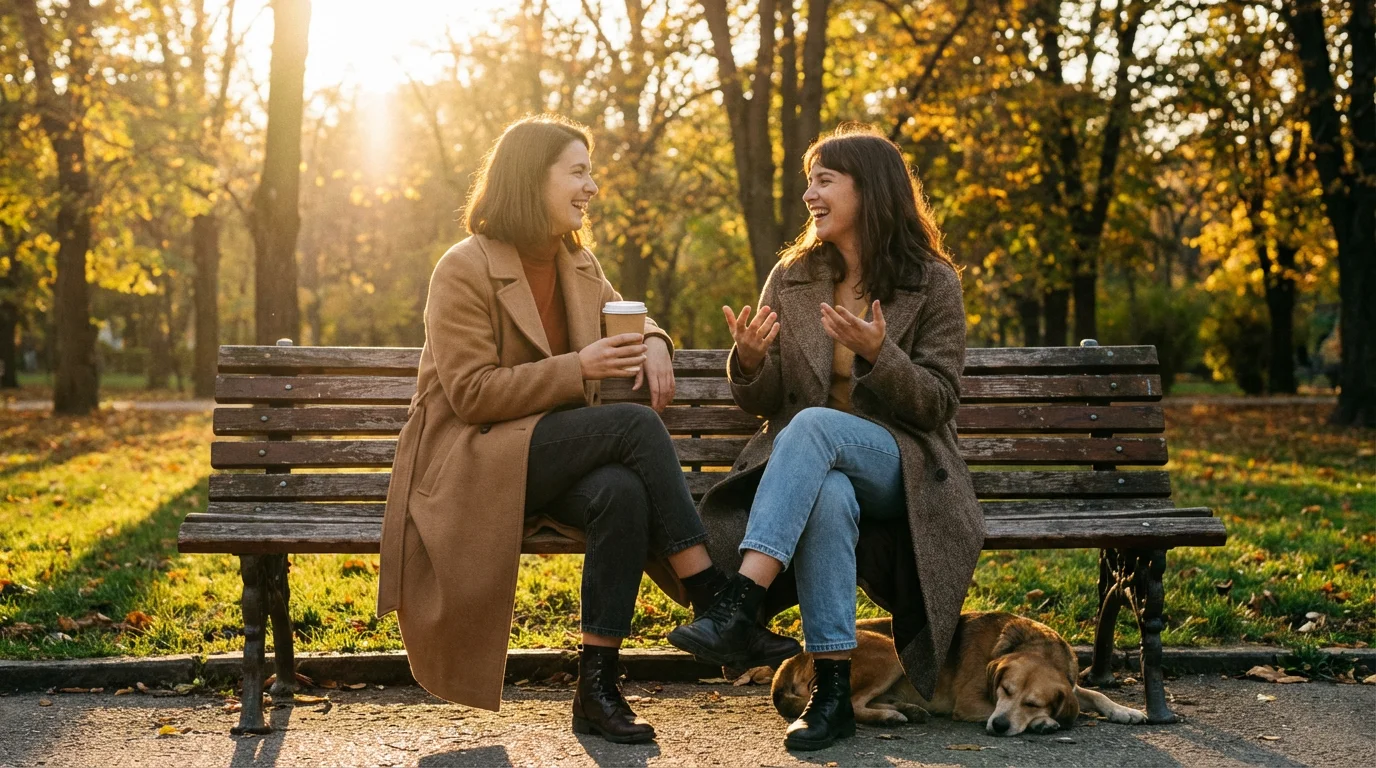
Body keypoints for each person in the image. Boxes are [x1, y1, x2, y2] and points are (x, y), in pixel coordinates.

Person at [375, 115, 798, 745]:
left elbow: (630, 314)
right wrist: (577, 369)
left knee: (620, 493)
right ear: (529, 180)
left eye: (589, 172)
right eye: (577, 171)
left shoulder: (576, 261)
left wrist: (656, 341)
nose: (591, 186)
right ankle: (713, 597)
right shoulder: (463, 269)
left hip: (549, 457)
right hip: (477, 459)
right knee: (631, 427)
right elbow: (469, 395)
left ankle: (597, 689)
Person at [669, 125, 983, 750]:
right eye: (809, 179)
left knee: (818, 432)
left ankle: (740, 604)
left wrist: (880, 354)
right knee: (831, 495)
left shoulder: (933, 281)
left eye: (825, 180)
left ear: (870, 190)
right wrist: (752, 362)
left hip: (903, 468)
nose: (810, 193)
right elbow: (764, 402)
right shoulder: (794, 276)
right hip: (815, 470)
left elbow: (939, 403)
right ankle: (833, 694)